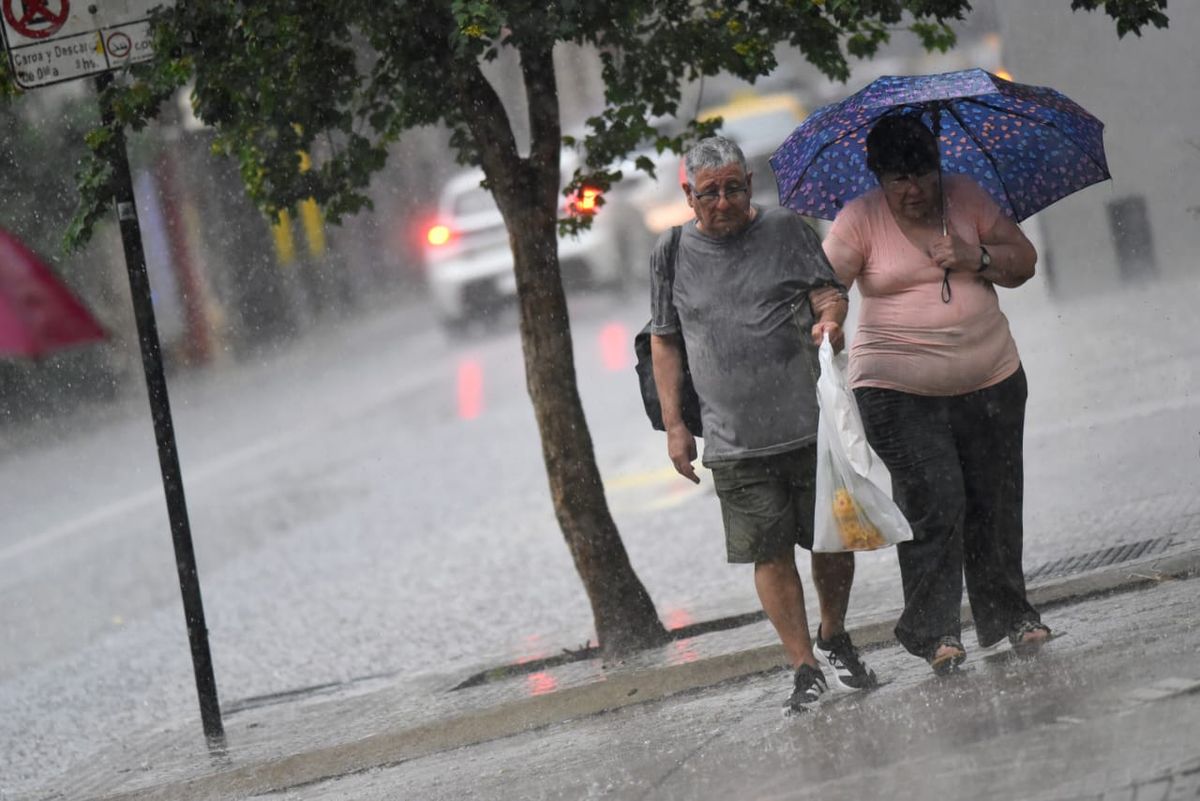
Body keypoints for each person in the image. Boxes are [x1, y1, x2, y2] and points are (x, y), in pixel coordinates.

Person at [650, 136, 876, 714]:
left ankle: (833, 630)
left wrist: (830, 320)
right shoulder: (670, 252)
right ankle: (803, 666)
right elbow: (665, 340)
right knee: (769, 554)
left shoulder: (787, 230)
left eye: (733, 188)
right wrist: (676, 426)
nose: (722, 202)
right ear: (688, 195)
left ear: (749, 186)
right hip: (733, 442)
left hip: (810, 425)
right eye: (709, 193)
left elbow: (829, 292)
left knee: (831, 542)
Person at [821, 113, 1051, 675]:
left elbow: (1024, 261)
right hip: (896, 389)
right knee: (937, 495)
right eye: (899, 178)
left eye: (923, 173)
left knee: (995, 497)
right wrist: (830, 319)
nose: (914, 189)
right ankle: (934, 630)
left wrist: (978, 259)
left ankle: (1010, 613)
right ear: (878, 176)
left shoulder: (967, 198)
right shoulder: (859, 221)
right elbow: (826, 284)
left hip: (992, 376)